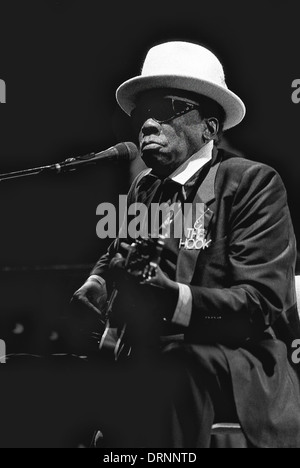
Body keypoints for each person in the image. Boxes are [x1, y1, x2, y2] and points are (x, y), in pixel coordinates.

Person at [72, 41, 300, 448]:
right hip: (152, 350)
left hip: (234, 357)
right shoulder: (145, 187)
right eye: (141, 114)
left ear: (209, 128)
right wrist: (98, 282)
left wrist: (175, 299)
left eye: (166, 110)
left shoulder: (252, 183)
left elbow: (263, 301)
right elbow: (117, 253)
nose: (145, 125)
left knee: (167, 367)